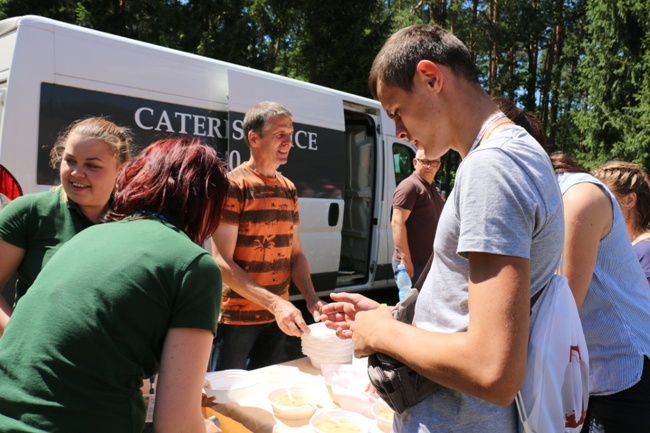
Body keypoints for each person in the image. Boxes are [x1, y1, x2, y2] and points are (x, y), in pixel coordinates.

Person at [321, 24, 564, 432]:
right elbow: (468, 315)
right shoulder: (514, 153)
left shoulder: (492, 168)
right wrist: (394, 316)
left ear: (431, 78)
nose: (398, 130)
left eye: (396, 110)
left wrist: (380, 334)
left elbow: (493, 370)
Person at [0, 137, 229, 433]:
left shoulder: (88, 236)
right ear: (206, 205)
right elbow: (177, 426)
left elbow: (99, 348)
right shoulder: (195, 265)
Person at [209, 101, 326, 371]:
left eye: (290, 134)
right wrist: (276, 304)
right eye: (280, 134)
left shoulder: (288, 188)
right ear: (254, 138)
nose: (288, 141)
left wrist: (311, 299)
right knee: (227, 398)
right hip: (236, 321)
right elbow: (221, 262)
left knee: (265, 391)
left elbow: (295, 254)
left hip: (277, 319)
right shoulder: (232, 185)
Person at [0, 117, 132, 335]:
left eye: (92, 165)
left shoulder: (137, 221)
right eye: (70, 161)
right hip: (37, 364)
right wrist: (19, 335)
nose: (77, 172)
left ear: (121, 168)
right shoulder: (30, 212)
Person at [551, 153, 650, 433]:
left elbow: (565, 302)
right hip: (604, 374)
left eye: (607, 191)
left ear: (630, 199)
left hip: (625, 372)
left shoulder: (643, 247)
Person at [391, 148, 444, 283]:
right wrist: (405, 259)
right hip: (413, 265)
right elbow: (397, 223)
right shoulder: (409, 186)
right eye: (424, 161)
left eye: (433, 162)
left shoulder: (434, 188)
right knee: (413, 304)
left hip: (429, 264)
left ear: (438, 165)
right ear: (415, 162)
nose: (428, 166)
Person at [592, 160, 650, 284]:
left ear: (630, 200)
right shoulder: (631, 247)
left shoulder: (645, 250)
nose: (599, 206)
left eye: (606, 199)